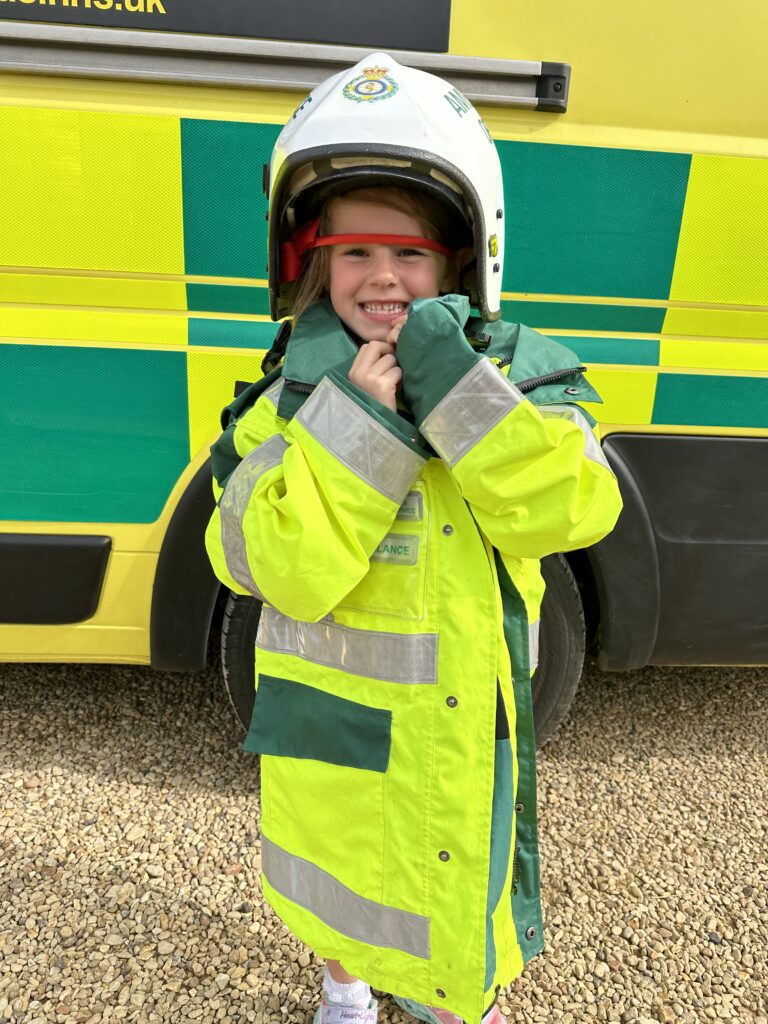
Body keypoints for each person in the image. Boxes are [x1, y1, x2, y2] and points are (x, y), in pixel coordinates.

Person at [205, 53, 622, 1024]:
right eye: (354, 252)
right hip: (328, 737)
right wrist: (358, 429)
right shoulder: (288, 402)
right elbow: (272, 565)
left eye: (410, 253)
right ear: (310, 262)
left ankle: (440, 997)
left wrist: (463, 393)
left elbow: (571, 507)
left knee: (446, 887)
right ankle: (345, 983)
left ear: (461, 265)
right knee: (337, 885)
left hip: (452, 730)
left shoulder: (517, 381)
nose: (382, 275)